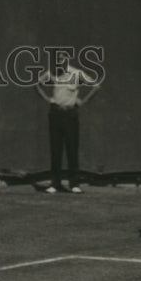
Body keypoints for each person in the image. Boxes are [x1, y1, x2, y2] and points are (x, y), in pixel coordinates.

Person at [34, 60, 100, 194]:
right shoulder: (52, 73)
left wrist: (83, 101)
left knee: (72, 148)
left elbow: (96, 85)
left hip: (70, 114)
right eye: (57, 59)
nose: (59, 62)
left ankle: (74, 184)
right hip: (55, 113)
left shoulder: (76, 73)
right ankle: (55, 184)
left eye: (63, 59)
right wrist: (48, 99)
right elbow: (36, 85)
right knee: (55, 149)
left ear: (67, 60)